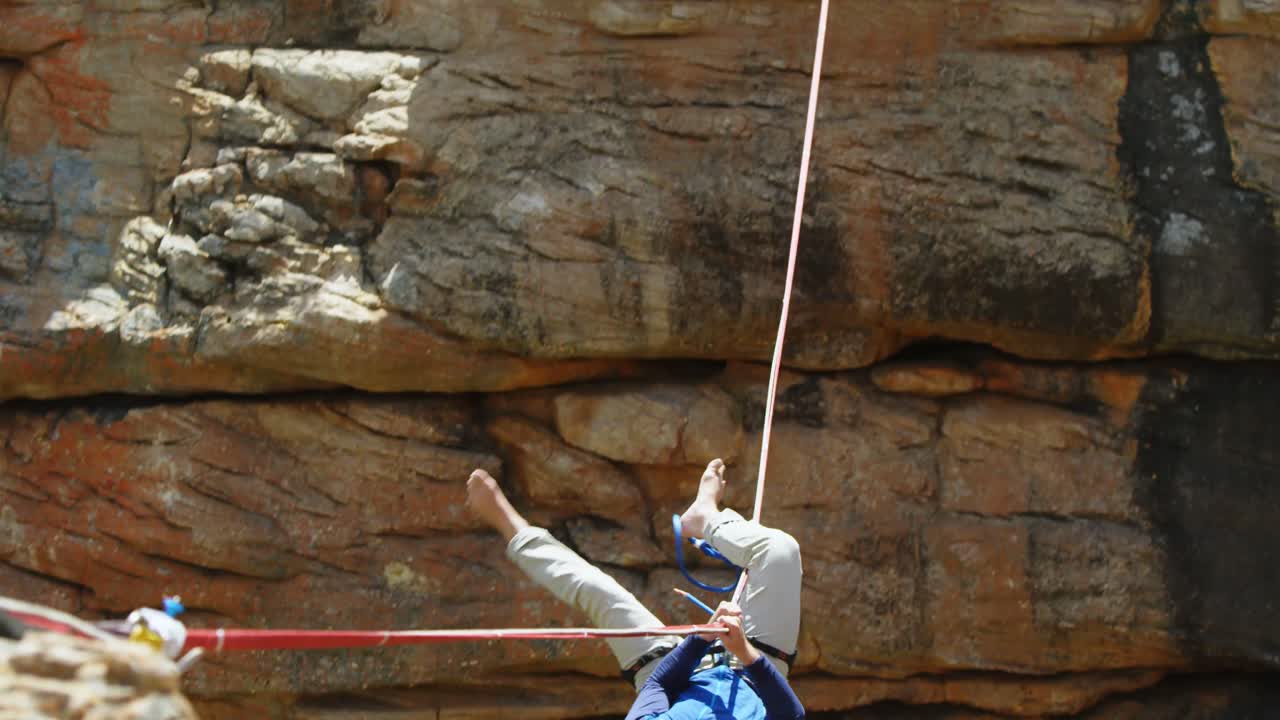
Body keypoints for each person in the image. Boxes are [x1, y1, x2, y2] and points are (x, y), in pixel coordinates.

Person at [466, 458, 805, 719]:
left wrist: (701, 640)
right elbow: (790, 714)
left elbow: (659, 684)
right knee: (779, 552)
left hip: (669, 675)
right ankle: (707, 519)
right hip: (755, 670)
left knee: (597, 591)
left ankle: (515, 530)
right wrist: (744, 652)